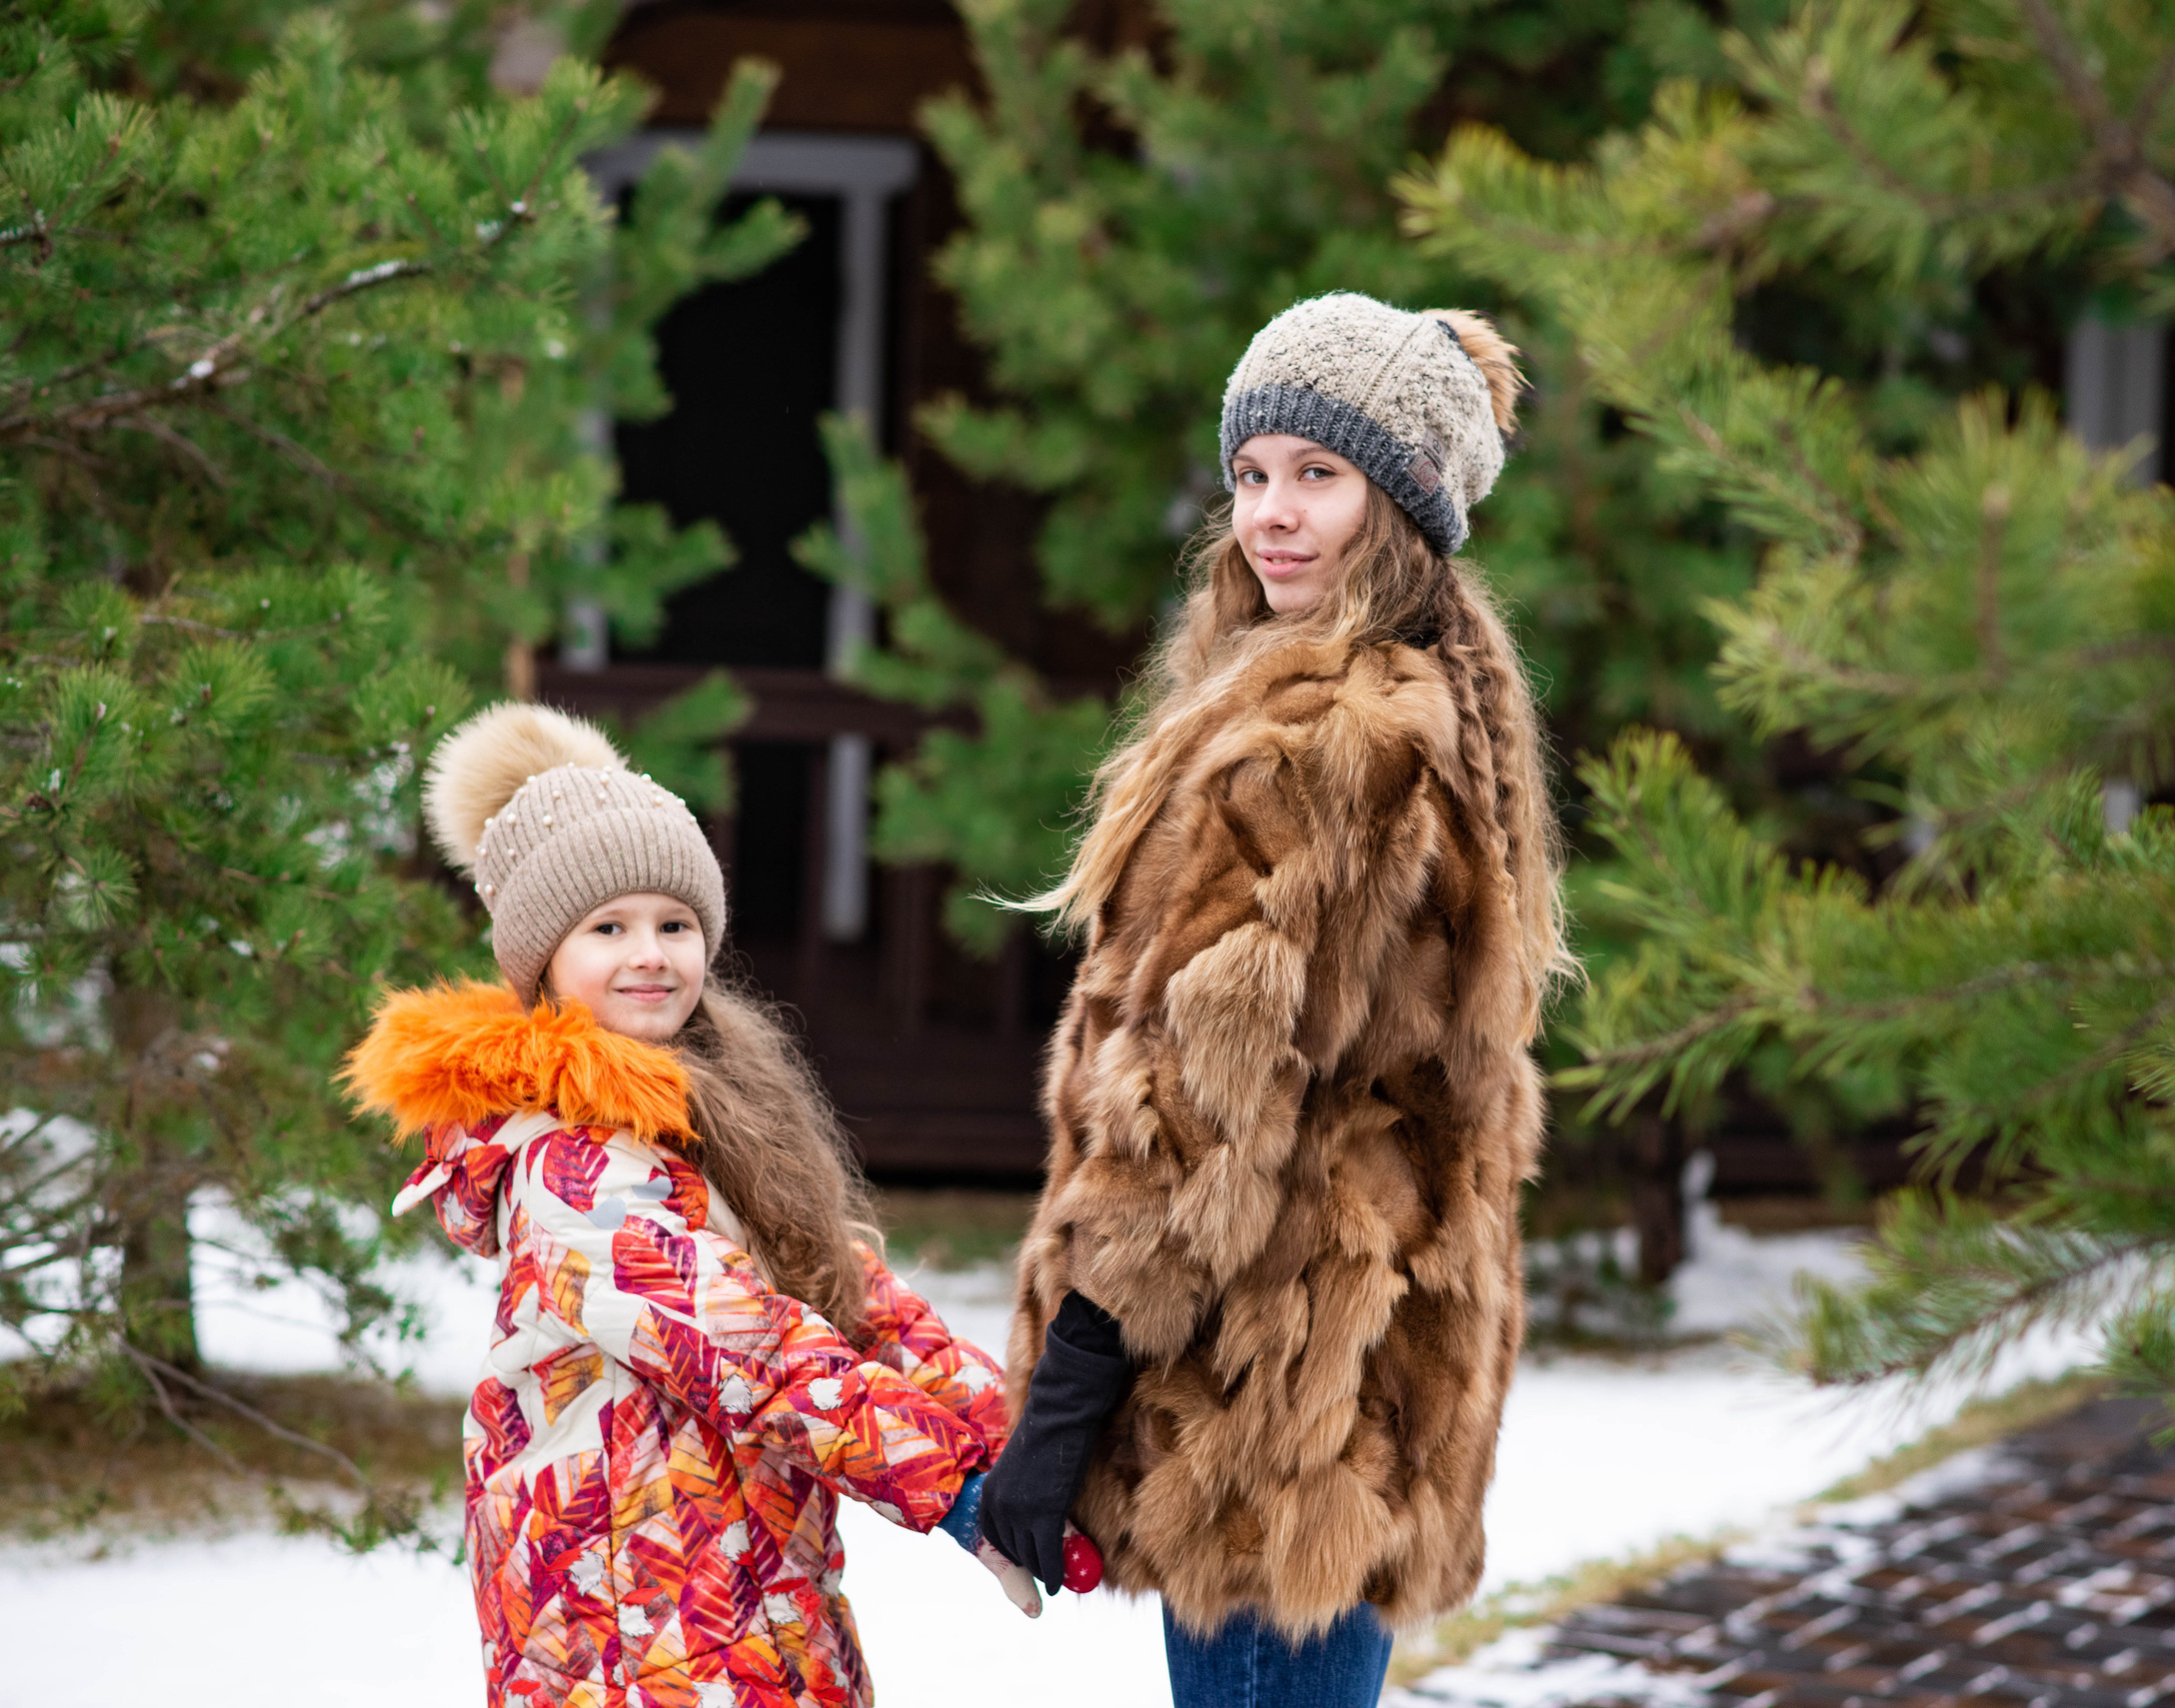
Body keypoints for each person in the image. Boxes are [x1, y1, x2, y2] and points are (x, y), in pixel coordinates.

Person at [978, 293, 1573, 1707]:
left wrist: (1062, 1408)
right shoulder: (1422, 700)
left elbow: (1196, 1133)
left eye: (1320, 475)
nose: (1271, 514)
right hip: (1353, 1405)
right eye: (1252, 474)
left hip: (1263, 1410)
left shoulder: (1324, 743)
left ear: (1403, 502)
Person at [344, 704, 1036, 1708]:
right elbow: (747, 1349)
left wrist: (1018, 1438)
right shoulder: (572, 1169)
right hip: (631, 1638)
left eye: (674, 923)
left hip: (746, 1601)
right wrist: (956, 1490)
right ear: (538, 960)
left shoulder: (707, 1114)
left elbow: (854, 1299)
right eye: (607, 927)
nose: (650, 953)